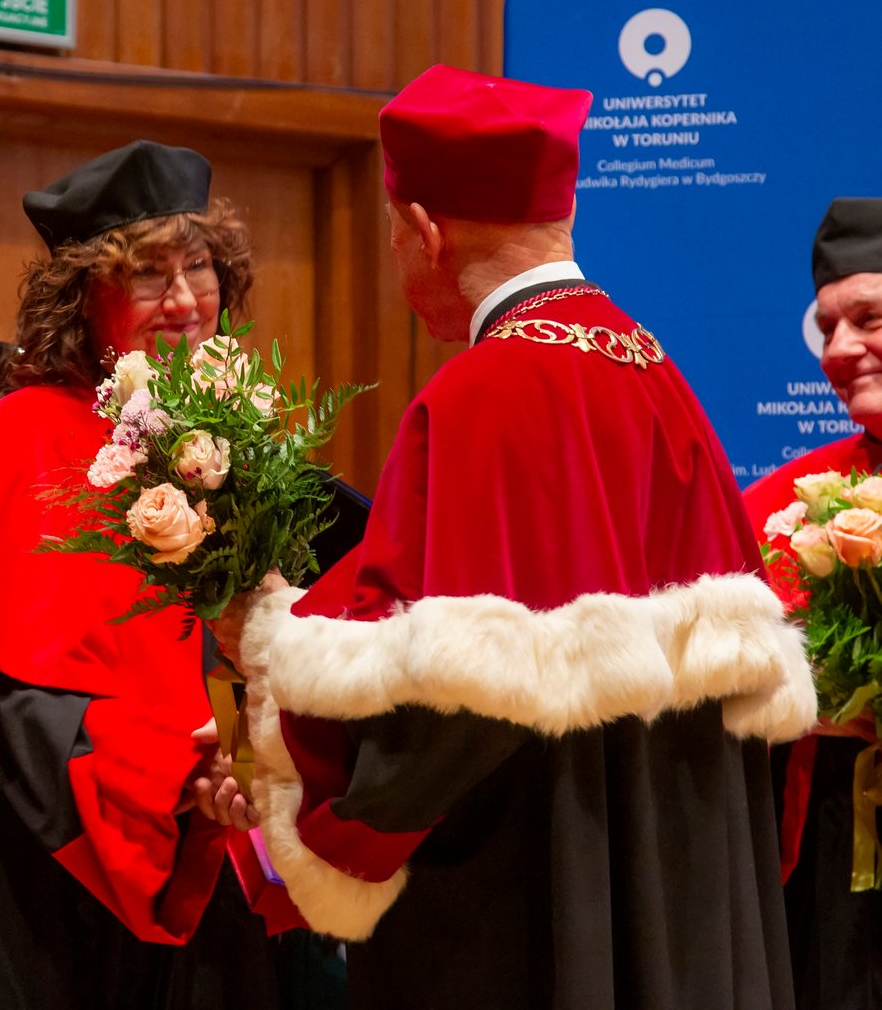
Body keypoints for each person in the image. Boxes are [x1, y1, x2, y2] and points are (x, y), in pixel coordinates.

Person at [208, 64, 815, 1009]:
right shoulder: (656, 373)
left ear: (424, 230)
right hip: (680, 897)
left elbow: (448, 707)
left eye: (393, 232)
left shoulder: (481, 393)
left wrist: (279, 693)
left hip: (536, 902)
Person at [0, 140, 289, 1009]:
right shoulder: (21, 437)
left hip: (191, 840)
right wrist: (173, 782)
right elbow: (9, 699)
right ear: (84, 298)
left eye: (199, 268)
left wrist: (243, 764)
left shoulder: (218, 443)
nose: (184, 300)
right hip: (36, 871)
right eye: (149, 275)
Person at [742, 196, 882, 1009]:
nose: (839, 349)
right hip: (827, 869)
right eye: (827, 327)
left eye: (868, 319)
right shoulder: (782, 507)